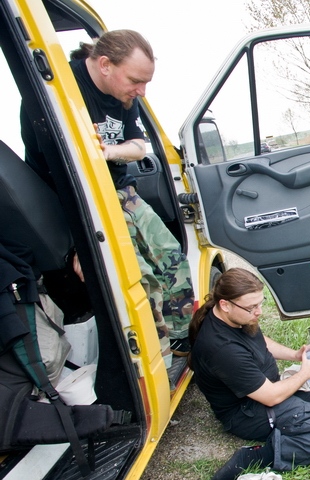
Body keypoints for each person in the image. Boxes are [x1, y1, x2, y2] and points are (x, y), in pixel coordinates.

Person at [23, 30, 194, 360]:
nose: (141, 91)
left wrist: (108, 152)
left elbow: (138, 147)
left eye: (146, 82)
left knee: (172, 256)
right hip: (83, 201)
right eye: (135, 80)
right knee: (141, 277)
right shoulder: (56, 90)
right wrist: (79, 244)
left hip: (121, 191)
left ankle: (181, 339)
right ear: (104, 65)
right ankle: (159, 360)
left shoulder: (125, 99)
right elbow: (51, 181)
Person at [188, 268, 310, 480]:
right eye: (252, 307)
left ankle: (295, 421)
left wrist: (295, 354)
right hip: (248, 412)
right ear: (225, 305)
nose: (259, 312)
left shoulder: (238, 317)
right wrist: (305, 372)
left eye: (260, 303)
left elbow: (260, 340)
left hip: (267, 389)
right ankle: (256, 456)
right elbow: (271, 397)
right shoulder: (221, 349)